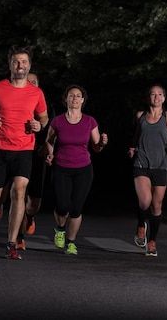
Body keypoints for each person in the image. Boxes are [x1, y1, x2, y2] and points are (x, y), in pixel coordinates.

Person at [0, 45, 49, 260]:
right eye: (16, 61)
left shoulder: (36, 92)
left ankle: (11, 243)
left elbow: (43, 117)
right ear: (10, 64)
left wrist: (39, 125)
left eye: (24, 62)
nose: (20, 65)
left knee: (19, 192)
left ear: (29, 65)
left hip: (23, 149)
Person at [45, 84, 108, 255]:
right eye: (71, 95)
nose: (74, 98)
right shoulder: (57, 120)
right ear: (66, 99)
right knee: (62, 205)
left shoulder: (90, 121)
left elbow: (96, 147)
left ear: (83, 100)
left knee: (76, 208)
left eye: (78, 96)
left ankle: (71, 242)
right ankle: (60, 228)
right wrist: (50, 155)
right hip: (61, 167)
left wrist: (101, 143)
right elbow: (49, 141)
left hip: (83, 169)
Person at [127, 83, 167, 257]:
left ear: (164, 98)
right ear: (148, 97)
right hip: (141, 163)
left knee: (156, 206)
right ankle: (141, 226)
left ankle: (152, 242)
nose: (156, 97)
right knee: (145, 201)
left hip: (160, 166)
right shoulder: (140, 116)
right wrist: (133, 147)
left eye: (160, 94)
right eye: (153, 94)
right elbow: (137, 133)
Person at [16, 72, 55, 251]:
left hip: (37, 156)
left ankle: (29, 216)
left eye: (34, 82)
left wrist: (47, 150)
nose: (30, 84)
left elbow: (53, 133)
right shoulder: (14, 102)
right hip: (18, 154)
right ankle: (18, 237)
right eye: (28, 81)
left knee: (33, 204)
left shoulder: (46, 107)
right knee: (18, 194)